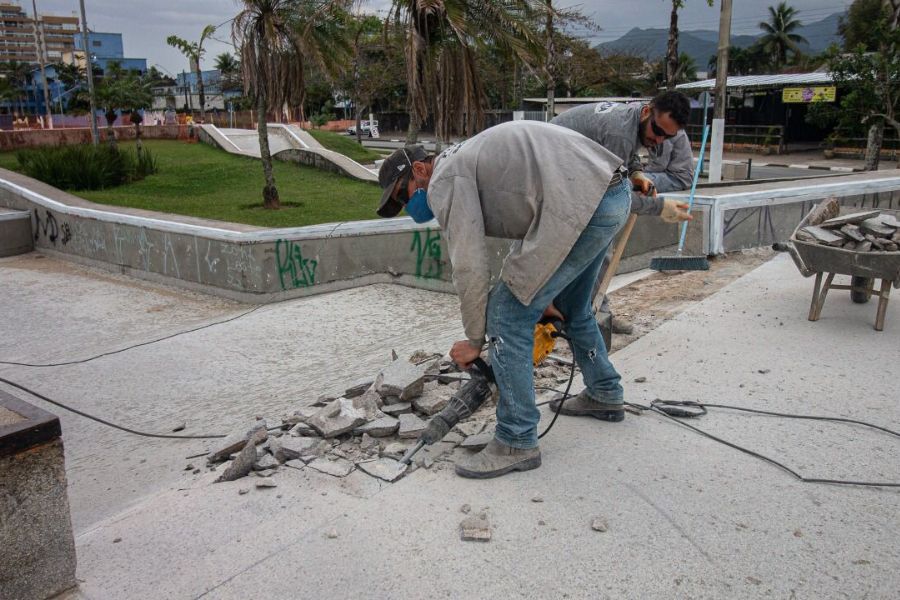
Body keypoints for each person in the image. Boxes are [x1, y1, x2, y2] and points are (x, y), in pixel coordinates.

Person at [375, 120, 691, 479]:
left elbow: (469, 265)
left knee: (507, 314)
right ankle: (605, 391)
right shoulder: (467, 159)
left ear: (419, 169)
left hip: (582, 206)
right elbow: (527, 224)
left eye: (403, 194)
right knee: (573, 308)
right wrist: (540, 290)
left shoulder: (445, 177)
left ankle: (517, 438)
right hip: (605, 199)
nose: (407, 206)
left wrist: (475, 340)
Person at [551, 91, 693, 333]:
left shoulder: (635, 119)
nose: (658, 141)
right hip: (555, 171)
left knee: (599, 246)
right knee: (592, 246)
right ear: (648, 111)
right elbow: (613, 198)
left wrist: (637, 173)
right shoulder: (619, 132)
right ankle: (576, 317)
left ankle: (590, 312)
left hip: (574, 167)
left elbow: (626, 158)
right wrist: (660, 207)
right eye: (657, 132)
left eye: (666, 138)